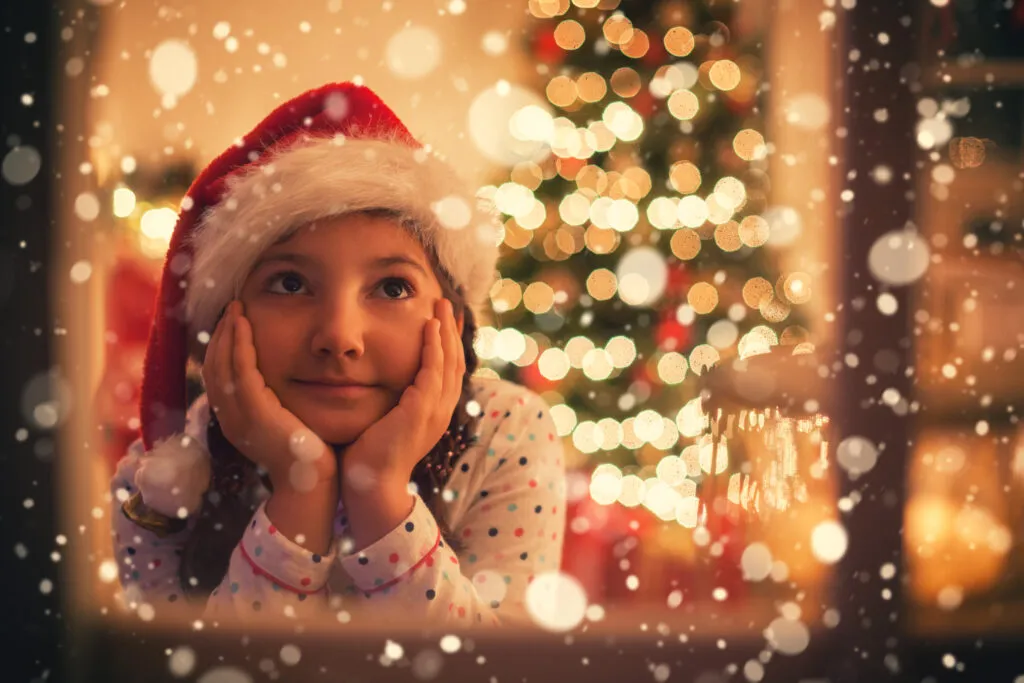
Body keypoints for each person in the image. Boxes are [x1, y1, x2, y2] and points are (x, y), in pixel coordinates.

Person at [109, 82, 566, 629]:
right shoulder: (165, 474)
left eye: (393, 288)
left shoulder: (505, 432)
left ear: (455, 321)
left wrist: (380, 492)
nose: (340, 337)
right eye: (290, 283)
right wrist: (300, 491)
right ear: (224, 319)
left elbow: (503, 671)